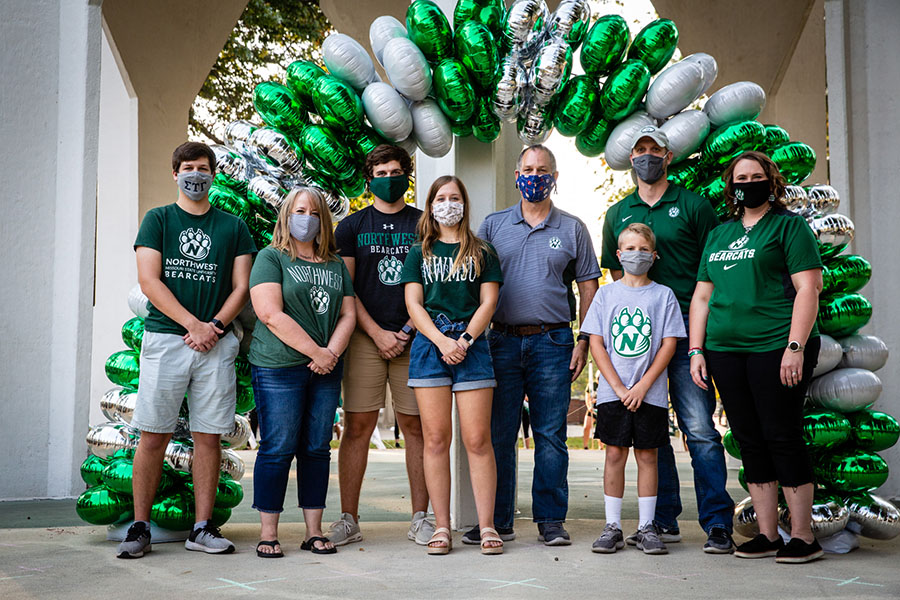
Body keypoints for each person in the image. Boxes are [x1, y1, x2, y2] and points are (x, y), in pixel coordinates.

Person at [600, 126, 735, 553]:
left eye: (653, 149)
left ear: (668, 155)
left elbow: (714, 269)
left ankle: (717, 523)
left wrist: (699, 338)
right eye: (638, 150)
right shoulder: (618, 213)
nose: (645, 156)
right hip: (638, 343)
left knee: (699, 430)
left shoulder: (693, 205)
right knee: (651, 436)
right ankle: (661, 520)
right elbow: (618, 278)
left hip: (687, 335)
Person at [118, 142, 256, 559]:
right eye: (188, 167)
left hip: (215, 343)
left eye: (203, 168)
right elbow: (149, 281)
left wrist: (213, 327)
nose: (196, 174)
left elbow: (241, 287)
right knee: (153, 434)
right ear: (174, 173)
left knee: (208, 437)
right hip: (167, 339)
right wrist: (192, 324)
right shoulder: (158, 219)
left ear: (214, 175)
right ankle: (139, 527)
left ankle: (202, 527)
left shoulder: (233, 227)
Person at [689, 151, 824, 563]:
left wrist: (795, 347)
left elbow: (808, 289)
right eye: (740, 177)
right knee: (749, 439)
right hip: (725, 351)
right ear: (731, 186)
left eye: (756, 176)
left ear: (771, 181)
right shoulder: (719, 234)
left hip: (777, 347)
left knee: (781, 435)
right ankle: (767, 535)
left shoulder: (789, 227)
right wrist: (696, 349)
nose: (748, 183)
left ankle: (803, 535)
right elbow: (702, 296)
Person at [477, 145, 600, 546]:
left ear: (555, 176)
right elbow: (473, 280)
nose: (535, 175)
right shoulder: (493, 226)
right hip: (501, 341)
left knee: (550, 435)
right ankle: (496, 521)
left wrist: (584, 339)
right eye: (528, 169)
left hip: (554, 341)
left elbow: (588, 287)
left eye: (542, 169)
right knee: (500, 435)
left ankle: (550, 520)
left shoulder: (573, 228)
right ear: (516, 175)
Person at [328, 145, 433, 546]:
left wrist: (406, 330)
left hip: (415, 337)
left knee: (415, 427)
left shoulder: (425, 224)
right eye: (382, 171)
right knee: (357, 426)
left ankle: (421, 518)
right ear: (368, 178)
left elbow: (432, 283)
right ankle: (349, 519)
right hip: (364, 339)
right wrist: (376, 333)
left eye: (397, 171)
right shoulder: (351, 227)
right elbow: (346, 289)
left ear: (407, 175)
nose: (390, 178)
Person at [248, 186, 356, 558]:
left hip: (325, 369)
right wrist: (316, 352)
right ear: (286, 215)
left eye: (312, 212)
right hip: (279, 366)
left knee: (316, 449)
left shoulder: (335, 263)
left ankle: (314, 530)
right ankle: (268, 532)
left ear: (323, 219)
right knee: (277, 448)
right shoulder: (271, 257)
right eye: (299, 210)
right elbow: (269, 313)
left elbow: (348, 314)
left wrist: (331, 354)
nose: (305, 218)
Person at [400, 175, 504, 555]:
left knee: (477, 440)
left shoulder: (482, 251)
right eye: (441, 198)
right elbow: (413, 304)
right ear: (430, 206)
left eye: (455, 197)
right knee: (436, 439)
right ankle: (441, 526)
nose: (448, 204)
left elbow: (488, 302)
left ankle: (488, 525)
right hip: (430, 348)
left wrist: (463, 341)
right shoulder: (418, 253)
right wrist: (442, 341)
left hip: (472, 347)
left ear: (465, 203)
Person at [583, 223, 685, 555]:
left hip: (650, 394)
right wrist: (616, 385)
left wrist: (642, 386)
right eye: (629, 248)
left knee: (647, 457)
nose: (635, 254)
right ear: (617, 254)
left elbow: (669, 344)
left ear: (654, 255)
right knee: (614, 454)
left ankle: (646, 527)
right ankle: (612, 525)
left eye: (642, 249)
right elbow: (596, 343)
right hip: (614, 392)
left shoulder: (663, 295)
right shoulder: (605, 294)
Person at [583, 379, 597, 450]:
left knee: (601, 429)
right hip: (591, 409)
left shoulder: (606, 383)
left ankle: (601, 446)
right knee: (586, 427)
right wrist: (589, 407)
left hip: (601, 408)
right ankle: (585, 446)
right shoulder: (592, 384)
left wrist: (597, 400)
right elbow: (587, 396)